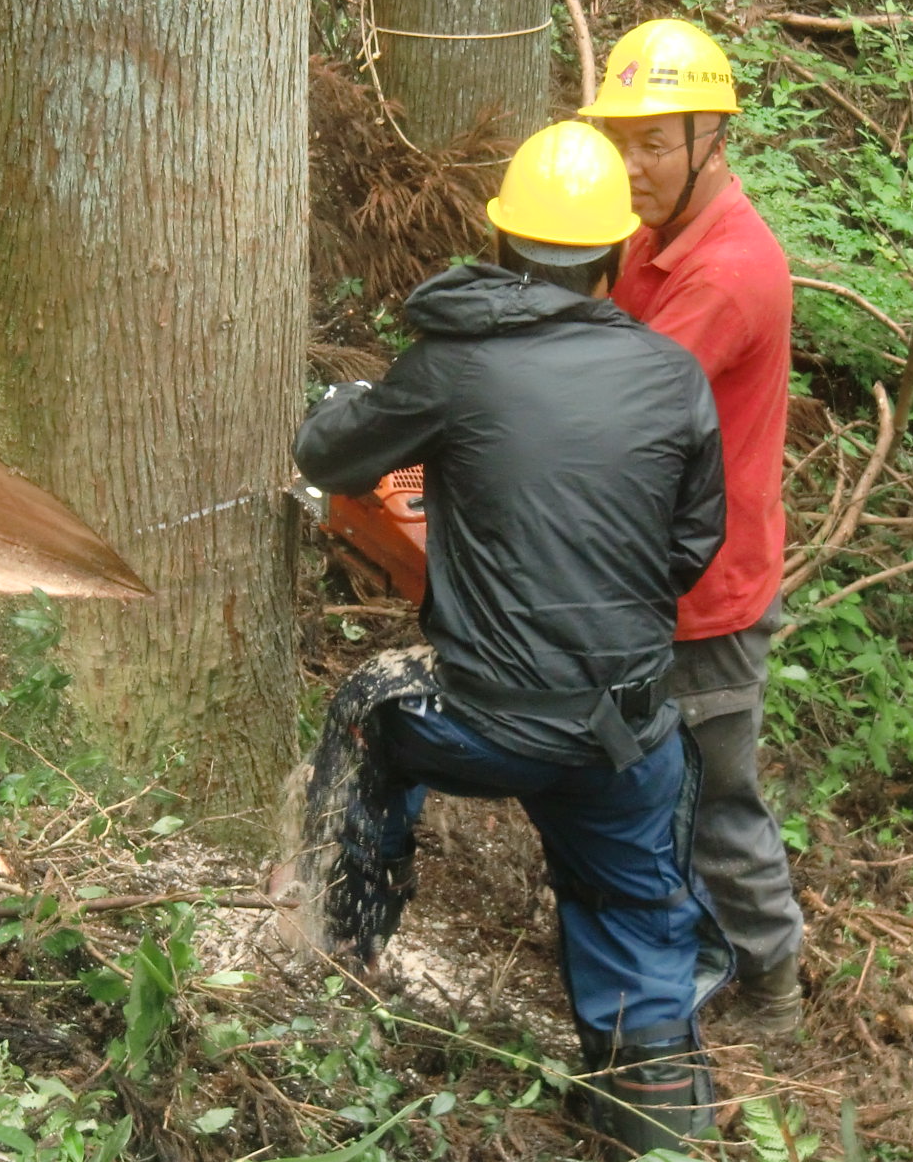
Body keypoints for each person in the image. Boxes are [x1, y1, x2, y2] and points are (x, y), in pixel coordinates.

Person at [293, 122, 732, 1151]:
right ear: (614, 253)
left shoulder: (455, 367)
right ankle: (651, 1121)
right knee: (635, 909)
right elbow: (691, 546)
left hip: (478, 722)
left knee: (368, 708)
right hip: (623, 732)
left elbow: (327, 453)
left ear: (498, 244)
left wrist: (356, 402)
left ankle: (326, 969)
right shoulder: (670, 376)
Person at [577, 17, 805, 1038]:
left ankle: (772, 985)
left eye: (653, 145)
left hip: (704, 593)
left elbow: (614, 406)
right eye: (618, 141)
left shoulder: (723, 275)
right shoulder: (649, 236)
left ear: (711, 139)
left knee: (716, 801)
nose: (630, 166)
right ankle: (680, 955)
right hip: (647, 565)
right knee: (650, 790)